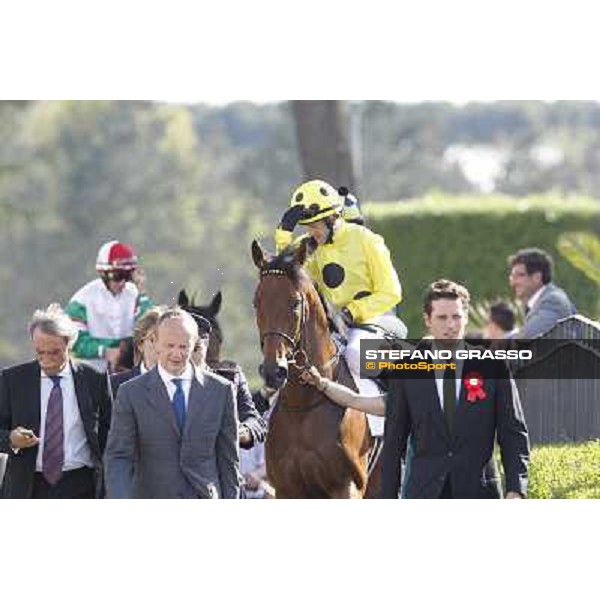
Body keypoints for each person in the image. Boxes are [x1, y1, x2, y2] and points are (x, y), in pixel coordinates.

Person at [303, 280, 530, 499]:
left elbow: (513, 432)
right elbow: (394, 443)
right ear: (428, 320)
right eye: (442, 318)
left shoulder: (494, 365)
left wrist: (516, 490)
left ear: (466, 317)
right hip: (423, 494)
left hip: (480, 494)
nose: (451, 325)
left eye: (456, 317)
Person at [275, 179, 405, 436]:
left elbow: (391, 292)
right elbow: (287, 276)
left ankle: (398, 417)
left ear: (333, 218)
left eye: (315, 226)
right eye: (307, 227)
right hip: (334, 327)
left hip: (377, 320)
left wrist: (352, 312)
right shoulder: (310, 247)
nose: (312, 232)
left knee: (356, 354)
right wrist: (283, 235)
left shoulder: (366, 240)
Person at [104, 308, 240, 499]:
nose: (176, 354)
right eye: (170, 346)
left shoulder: (221, 391)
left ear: (194, 346)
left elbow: (228, 460)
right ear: (155, 343)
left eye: (183, 347)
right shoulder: (130, 393)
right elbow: (119, 457)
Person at [0, 304, 111, 498]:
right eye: (40, 352)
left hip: (81, 485)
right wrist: (11, 439)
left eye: (54, 352)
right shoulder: (11, 380)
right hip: (27, 487)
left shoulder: (95, 379)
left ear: (69, 344)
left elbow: (110, 433)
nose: (47, 360)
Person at [66, 240, 153, 372]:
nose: (122, 282)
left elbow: (150, 328)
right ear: (103, 274)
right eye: (117, 276)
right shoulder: (81, 300)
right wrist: (105, 351)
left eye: (127, 276)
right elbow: (73, 341)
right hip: (89, 373)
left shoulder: (136, 295)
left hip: (127, 372)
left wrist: (142, 294)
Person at [186, 311, 267, 450]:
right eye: (182, 348)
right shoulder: (155, 383)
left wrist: (241, 431)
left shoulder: (229, 378)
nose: (186, 355)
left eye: (195, 348)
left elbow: (255, 421)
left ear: (206, 345)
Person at [508, 247, 576, 338]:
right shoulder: (542, 301)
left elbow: (526, 336)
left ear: (537, 277)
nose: (513, 282)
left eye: (520, 275)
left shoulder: (553, 301)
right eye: (512, 276)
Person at [109, 305, 167, 400]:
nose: (159, 346)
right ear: (140, 344)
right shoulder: (115, 385)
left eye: (166, 340)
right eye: (153, 339)